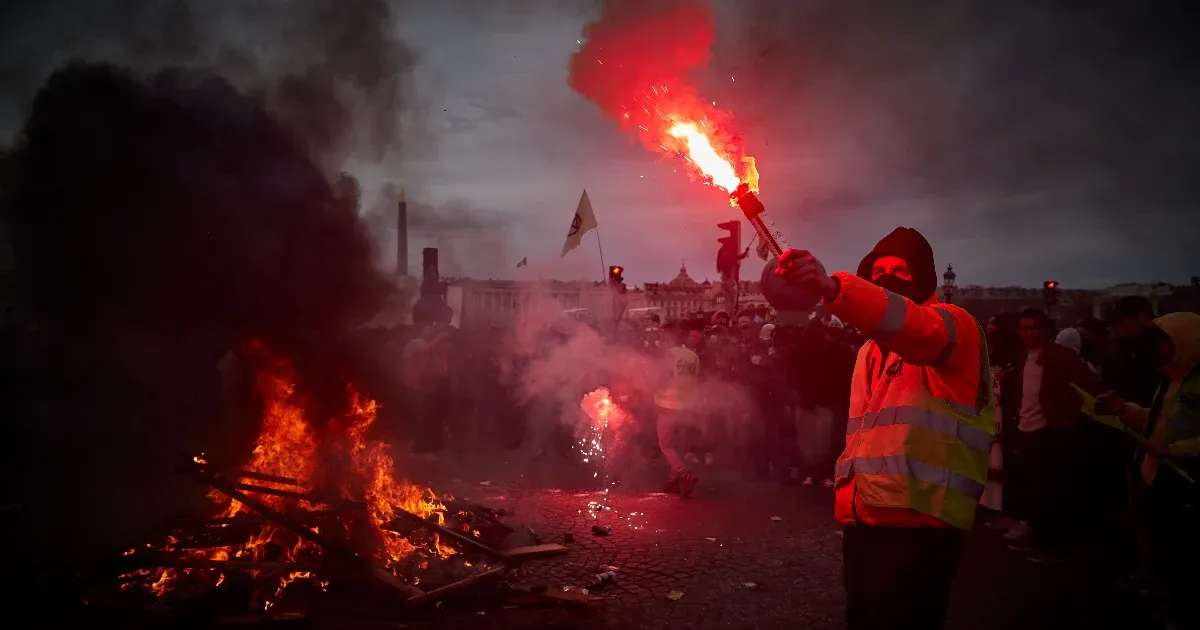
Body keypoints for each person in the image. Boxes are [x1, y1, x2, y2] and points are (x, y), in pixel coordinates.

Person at [767, 227, 994, 630]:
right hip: (866, 515)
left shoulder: (955, 327)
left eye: (902, 271)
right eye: (880, 269)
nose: (888, 277)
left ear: (925, 276)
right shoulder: (870, 352)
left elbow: (913, 327)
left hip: (922, 519)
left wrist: (828, 285)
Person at [1102, 312, 1200, 628]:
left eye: (1166, 341)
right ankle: (1171, 604)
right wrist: (1125, 410)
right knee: (1165, 547)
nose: (1160, 348)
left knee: (1183, 552)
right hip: (1159, 473)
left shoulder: (1190, 384)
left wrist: (1174, 450)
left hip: (1185, 477)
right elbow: (1157, 420)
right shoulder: (1173, 379)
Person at [1006, 309, 1103, 563]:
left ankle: (1053, 546)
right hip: (1027, 426)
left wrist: (1067, 412)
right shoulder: (1023, 356)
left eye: (1033, 328)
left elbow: (1090, 383)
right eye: (1024, 328)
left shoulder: (1061, 356)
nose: (1028, 333)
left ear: (1046, 330)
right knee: (1036, 488)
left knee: (1051, 491)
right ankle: (1040, 537)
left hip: (1051, 429)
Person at [654, 323, 702, 497]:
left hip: (669, 405)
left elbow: (663, 379)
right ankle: (672, 481)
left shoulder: (669, 355)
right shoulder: (693, 355)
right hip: (687, 406)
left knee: (665, 444)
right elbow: (696, 381)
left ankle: (685, 475)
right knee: (676, 445)